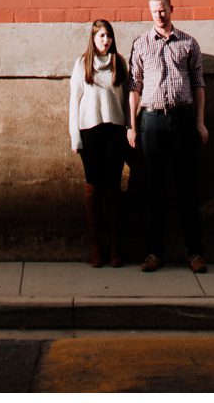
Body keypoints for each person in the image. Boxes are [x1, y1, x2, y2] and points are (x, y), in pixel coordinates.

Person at [127, 0, 208, 273]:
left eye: (162, 10)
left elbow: (199, 84)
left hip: (183, 120)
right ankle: (153, 253)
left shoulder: (189, 44)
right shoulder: (140, 45)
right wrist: (132, 126)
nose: (159, 16)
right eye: (154, 12)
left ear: (171, 8)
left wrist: (200, 121)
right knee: (153, 189)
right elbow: (134, 87)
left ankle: (195, 253)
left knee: (188, 187)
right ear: (149, 13)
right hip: (151, 122)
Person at [69, 19, 129, 267]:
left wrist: (128, 129)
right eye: (101, 36)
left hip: (114, 130)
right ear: (93, 38)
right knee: (94, 187)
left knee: (113, 187)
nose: (106, 40)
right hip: (90, 131)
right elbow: (75, 100)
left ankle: (115, 246)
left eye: (109, 36)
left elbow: (125, 99)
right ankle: (96, 245)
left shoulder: (119, 62)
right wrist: (75, 136)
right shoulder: (82, 63)